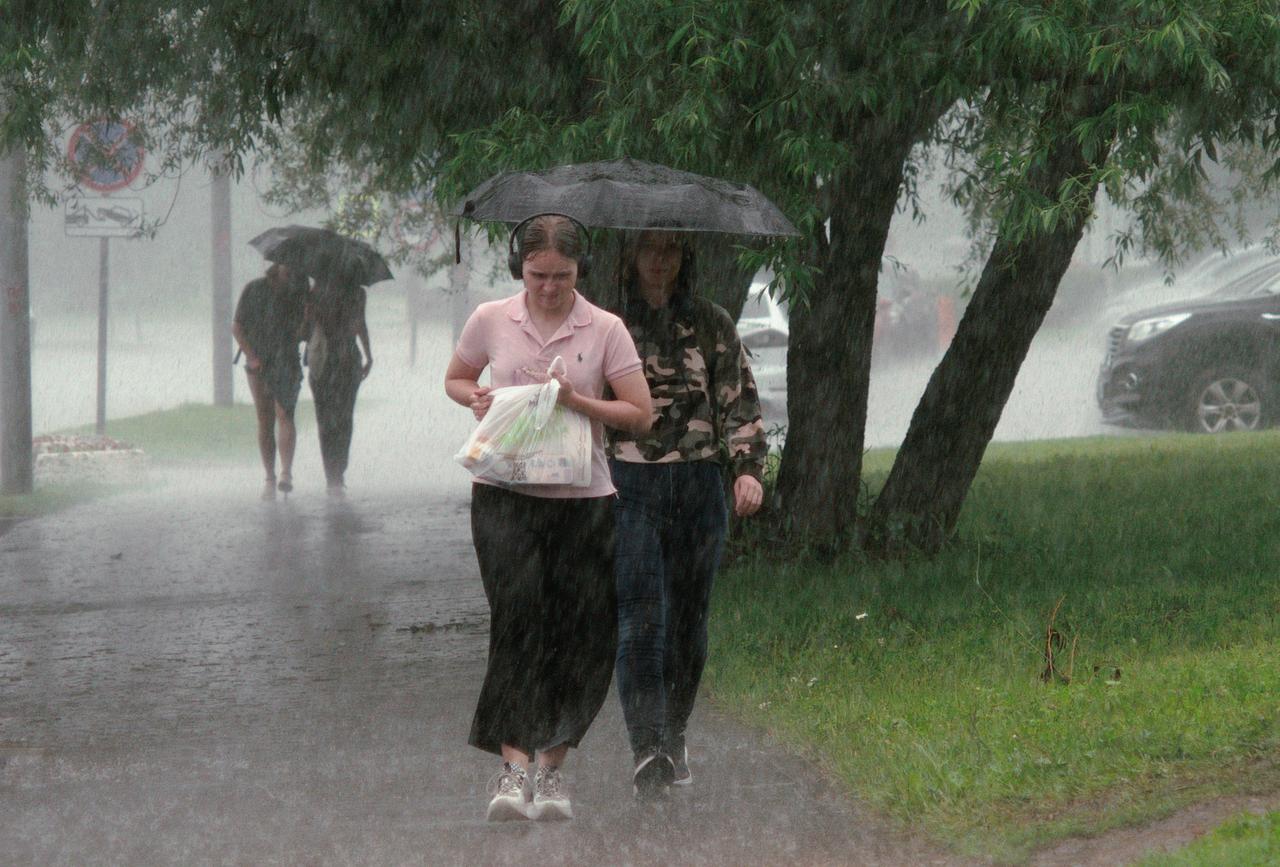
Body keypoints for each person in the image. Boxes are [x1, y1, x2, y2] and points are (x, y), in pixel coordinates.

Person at [445, 213, 652, 822]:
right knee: (518, 621)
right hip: (504, 495)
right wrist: (475, 397)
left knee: (582, 632)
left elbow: (639, 414)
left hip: (583, 501)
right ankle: (511, 770)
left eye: (561, 276)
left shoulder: (607, 329)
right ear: (521, 270)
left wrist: (577, 402)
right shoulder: (490, 319)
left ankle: (553, 771)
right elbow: (456, 380)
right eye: (537, 275)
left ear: (578, 271)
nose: (549, 287)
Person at [608, 229, 767, 799]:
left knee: (688, 622)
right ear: (629, 255)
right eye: (649, 248)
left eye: (671, 249)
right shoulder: (607, 326)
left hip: (699, 484)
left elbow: (740, 402)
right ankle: (645, 746)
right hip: (629, 483)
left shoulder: (712, 323)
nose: (659, 260)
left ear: (684, 257)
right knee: (640, 619)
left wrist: (747, 469)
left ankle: (674, 732)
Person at [232, 263, 309, 497]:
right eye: (287, 264)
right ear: (277, 265)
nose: (290, 270)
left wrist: (306, 318)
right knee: (265, 420)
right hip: (259, 363)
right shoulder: (254, 289)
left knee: (285, 414)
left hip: (287, 362)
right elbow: (237, 327)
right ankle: (269, 476)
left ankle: (286, 472)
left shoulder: (299, 293)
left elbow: (302, 335)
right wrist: (251, 356)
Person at [305, 262, 373, 494]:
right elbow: (359, 324)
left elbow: (307, 326)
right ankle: (339, 471)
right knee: (344, 417)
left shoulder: (315, 291)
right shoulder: (357, 293)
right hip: (347, 359)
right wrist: (368, 354)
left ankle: (330, 475)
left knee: (324, 417)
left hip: (321, 360)